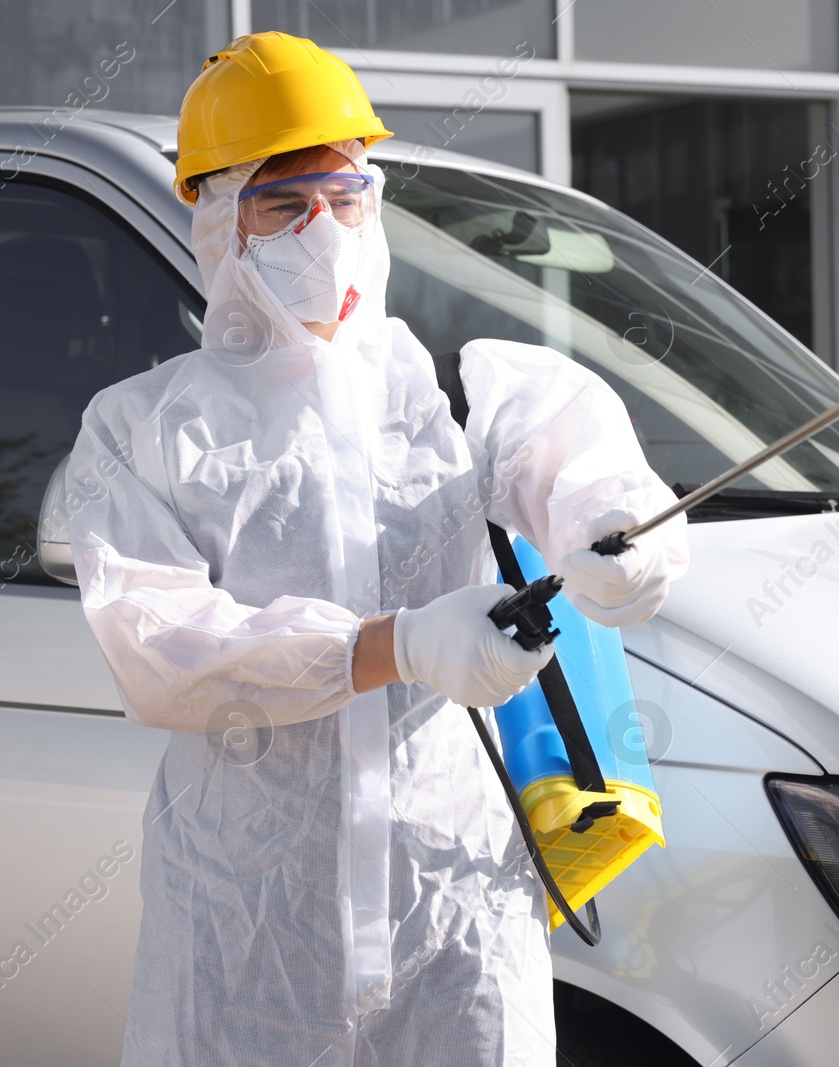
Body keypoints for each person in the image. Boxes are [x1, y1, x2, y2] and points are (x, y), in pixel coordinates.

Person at [65, 31, 688, 1067]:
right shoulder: (144, 428)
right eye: (284, 199)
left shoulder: (460, 395)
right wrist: (393, 645)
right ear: (215, 218)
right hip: (245, 936)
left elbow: (583, 469)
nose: (323, 228)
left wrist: (618, 545)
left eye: (344, 192)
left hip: (455, 913)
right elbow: (162, 650)